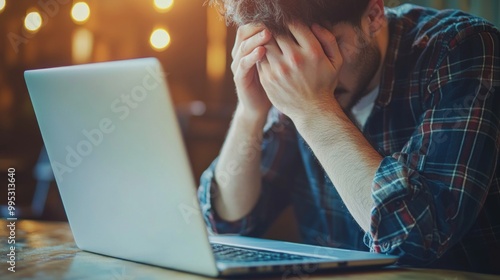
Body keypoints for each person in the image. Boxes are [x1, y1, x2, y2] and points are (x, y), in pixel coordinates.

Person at [198, 0, 500, 274]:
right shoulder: (290, 76)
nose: (305, 68)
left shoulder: (463, 46)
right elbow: (228, 223)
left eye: (324, 46)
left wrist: (315, 109)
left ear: (374, 15)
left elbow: (416, 240)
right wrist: (251, 113)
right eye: (285, 52)